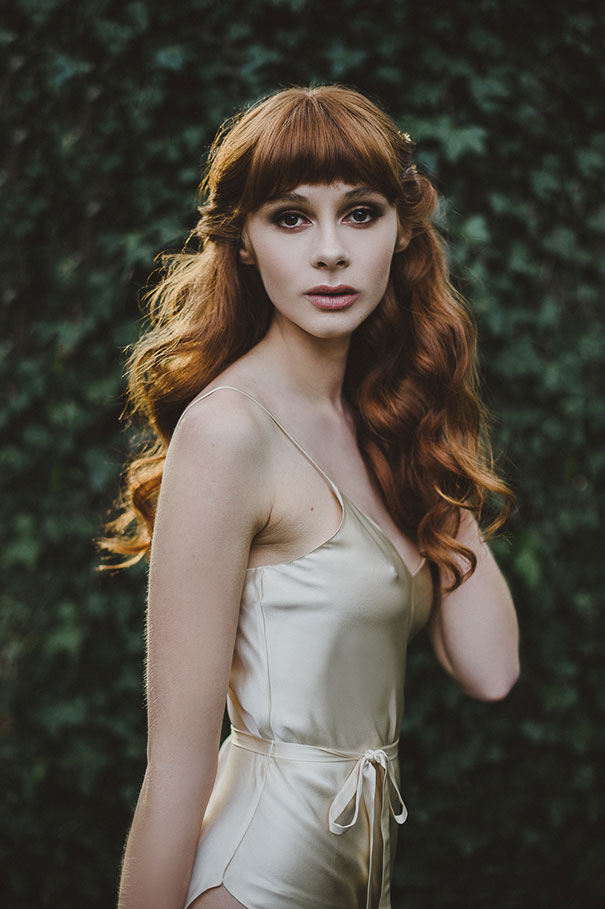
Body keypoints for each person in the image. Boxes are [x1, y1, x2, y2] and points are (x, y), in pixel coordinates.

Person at [102, 84, 520, 909]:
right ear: (244, 242)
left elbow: (491, 667)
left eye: (360, 213)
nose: (330, 251)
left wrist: (424, 428)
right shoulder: (228, 434)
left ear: (402, 231)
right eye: (290, 217)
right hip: (252, 884)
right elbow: (176, 769)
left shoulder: (382, 426)